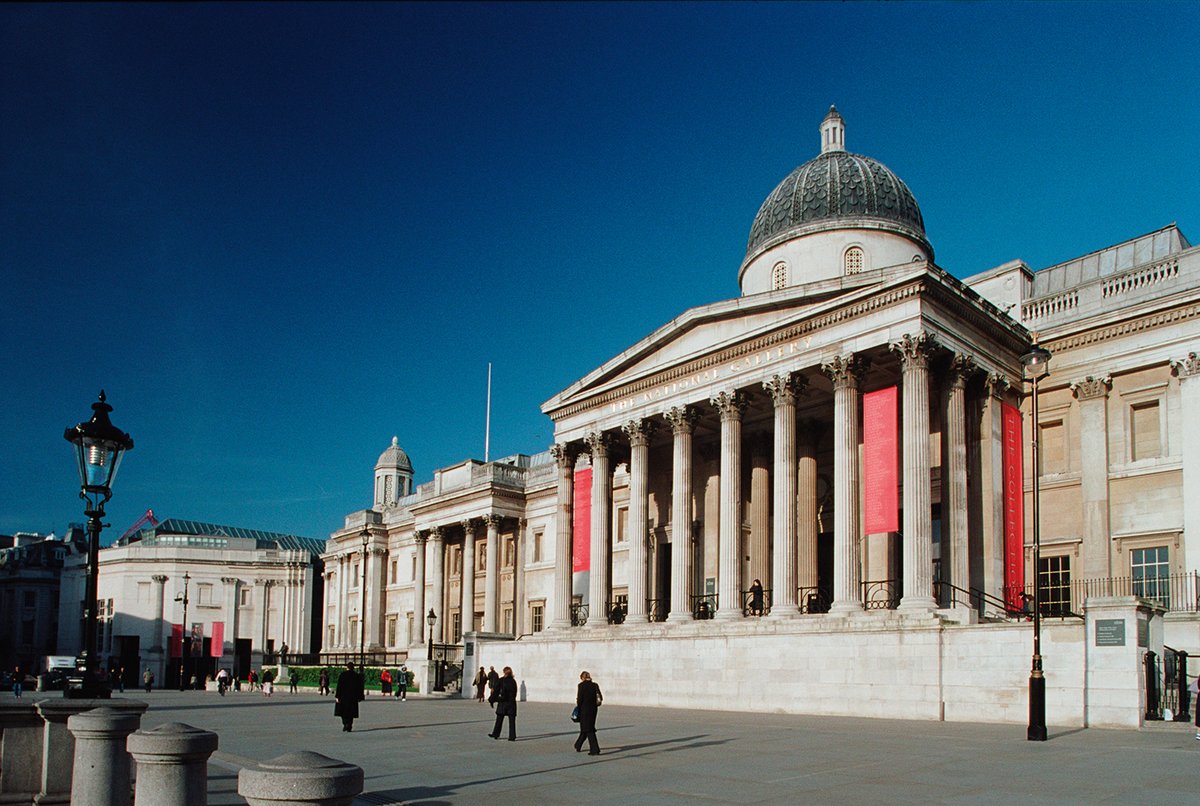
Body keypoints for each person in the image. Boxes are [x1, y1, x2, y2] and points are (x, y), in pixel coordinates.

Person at [574, 670, 603, 756]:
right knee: (586, 728)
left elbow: (580, 699)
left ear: (582, 677)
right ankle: (578, 745)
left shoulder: (581, 686)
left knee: (589, 730)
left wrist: (578, 708)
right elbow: (600, 697)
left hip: (584, 710)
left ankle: (595, 749)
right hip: (593, 710)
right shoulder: (595, 685)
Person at [488, 666, 518, 741]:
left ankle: (496, 734)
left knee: (499, 719)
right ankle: (512, 736)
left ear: (504, 672)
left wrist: (491, 700)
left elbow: (496, 692)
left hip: (503, 703)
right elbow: (514, 693)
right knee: (512, 721)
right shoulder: (513, 681)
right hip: (511, 703)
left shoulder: (501, 680)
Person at [334, 662, 365, 732]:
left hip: (343, 697)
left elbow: (339, 686)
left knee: (343, 712)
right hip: (353, 697)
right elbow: (360, 687)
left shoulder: (343, 675)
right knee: (351, 712)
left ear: (347, 667)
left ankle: (345, 723)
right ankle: (349, 725)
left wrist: (337, 696)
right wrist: (360, 697)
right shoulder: (356, 676)